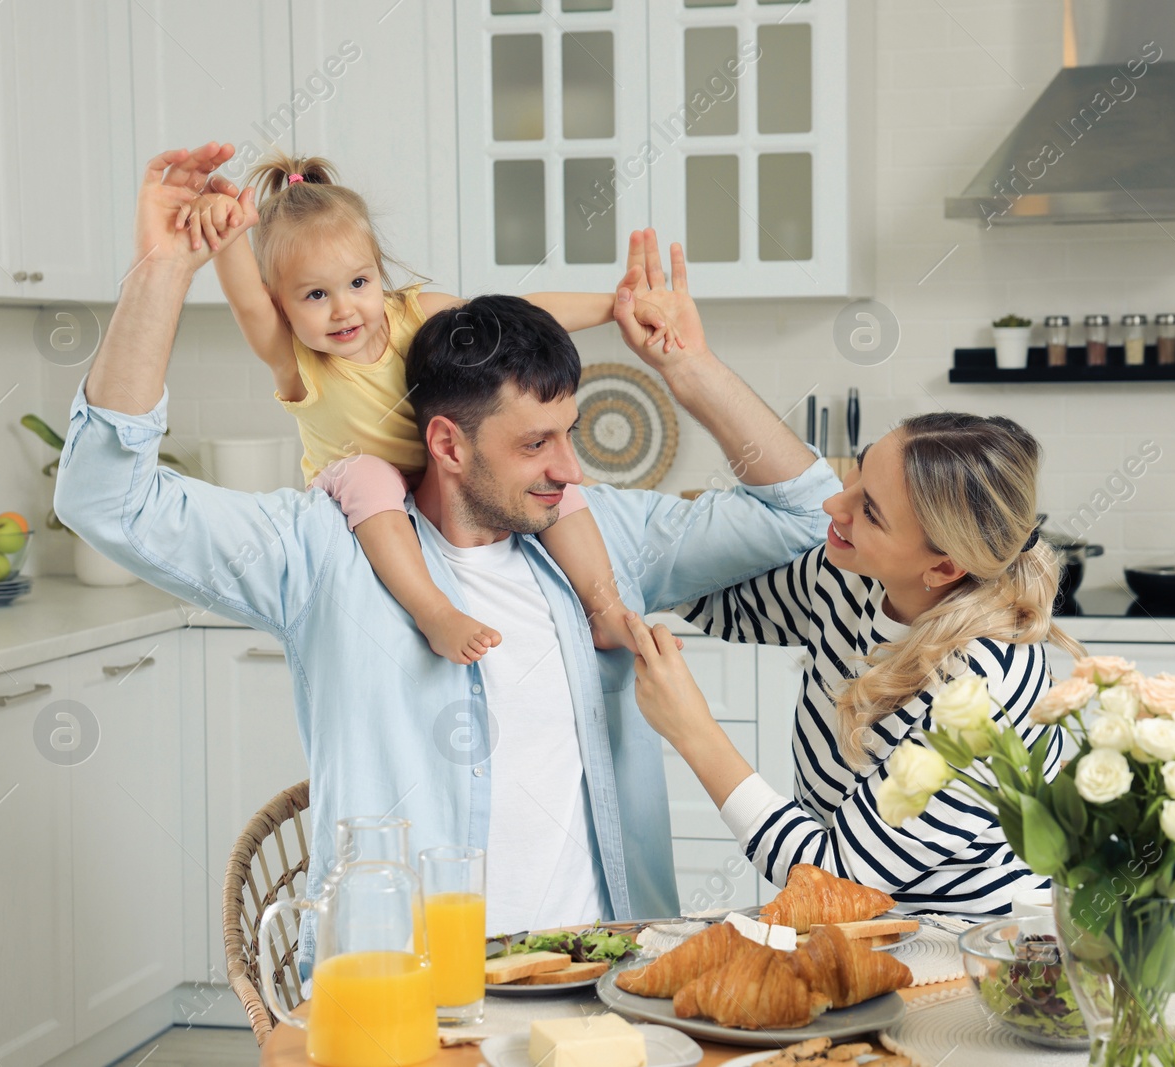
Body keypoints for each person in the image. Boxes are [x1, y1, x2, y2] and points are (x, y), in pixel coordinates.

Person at [54, 143, 836, 946]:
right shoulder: (321, 552)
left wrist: (689, 367)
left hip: (608, 980)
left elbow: (810, 516)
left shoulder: (598, 529)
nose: (571, 469)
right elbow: (104, 498)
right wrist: (161, 272)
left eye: (568, 434)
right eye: (536, 444)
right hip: (413, 1003)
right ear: (449, 446)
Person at [185, 149, 675, 662]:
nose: (343, 308)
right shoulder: (298, 362)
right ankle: (434, 612)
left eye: (358, 282)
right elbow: (245, 302)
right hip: (357, 500)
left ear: (379, 273)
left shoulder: (414, 315)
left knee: (558, 486)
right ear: (279, 303)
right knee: (369, 472)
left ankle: (604, 611)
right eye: (314, 295)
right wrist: (226, 237)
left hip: (434, 488)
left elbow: (518, 317)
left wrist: (616, 308)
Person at [625, 413, 1086, 915]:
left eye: (870, 511)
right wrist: (615, 545)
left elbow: (840, 880)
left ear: (944, 567)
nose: (832, 505)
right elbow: (731, 605)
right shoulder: (855, 575)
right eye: (859, 474)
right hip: (870, 926)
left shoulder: (981, 694)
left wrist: (693, 731)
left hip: (965, 946)